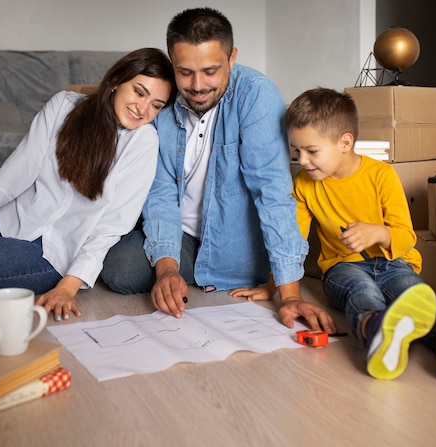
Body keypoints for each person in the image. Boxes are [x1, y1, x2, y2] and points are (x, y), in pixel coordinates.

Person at [100, 7, 336, 334]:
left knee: (249, 260)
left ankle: (217, 273)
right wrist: (167, 269)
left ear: (232, 58)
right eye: (185, 72)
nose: (198, 86)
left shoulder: (257, 96)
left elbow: (272, 193)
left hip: (236, 241)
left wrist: (290, 294)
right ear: (172, 61)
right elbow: (160, 192)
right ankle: (185, 272)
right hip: (182, 235)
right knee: (118, 269)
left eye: (211, 71)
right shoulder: (162, 101)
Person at [0, 48, 175, 322]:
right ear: (116, 80)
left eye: (156, 105)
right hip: (13, 215)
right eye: (139, 92)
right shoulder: (64, 105)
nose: (143, 109)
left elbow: (114, 224)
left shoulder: (144, 142)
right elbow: (20, 168)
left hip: (50, 255)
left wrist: (68, 286)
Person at [285, 87, 436, 381]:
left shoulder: (381, 175)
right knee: (362, 292)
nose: (303, 160)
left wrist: (377, 233)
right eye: (297, 151)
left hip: (394, 262)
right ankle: (376, 331)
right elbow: (292, 243)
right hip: (342, 267)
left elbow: (406, 236)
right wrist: (277, 287)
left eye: (312, 151)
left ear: (345, 142)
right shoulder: (304, 184)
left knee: (411, 293)